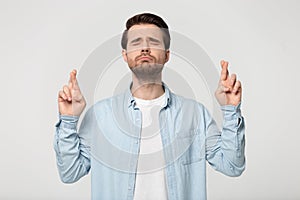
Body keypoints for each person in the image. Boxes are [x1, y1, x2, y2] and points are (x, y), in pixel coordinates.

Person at [54, 13, 245, 200]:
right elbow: (70, 173)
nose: (145, 48)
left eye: (153, 42)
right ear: (125, 55)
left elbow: (231, 166)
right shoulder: (99, 116)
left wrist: (230, 111)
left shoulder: (195, 114)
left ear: (167, 55)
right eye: (136, 42)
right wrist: (68, 121)